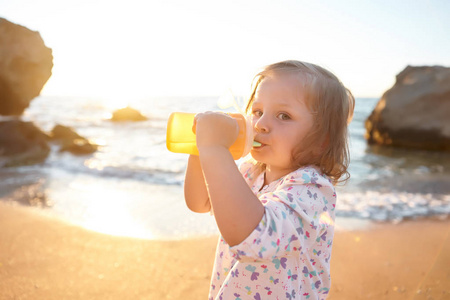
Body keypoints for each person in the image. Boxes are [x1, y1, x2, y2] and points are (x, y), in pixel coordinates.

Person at [184, 60, 355, 299]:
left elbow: (252, 236)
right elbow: (199, 202)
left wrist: (214, 148)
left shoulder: (313, 191)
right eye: (257, 112)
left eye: (283, 116)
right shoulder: (251, 171)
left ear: (322, 140)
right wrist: (199, 146)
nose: (261, 124)